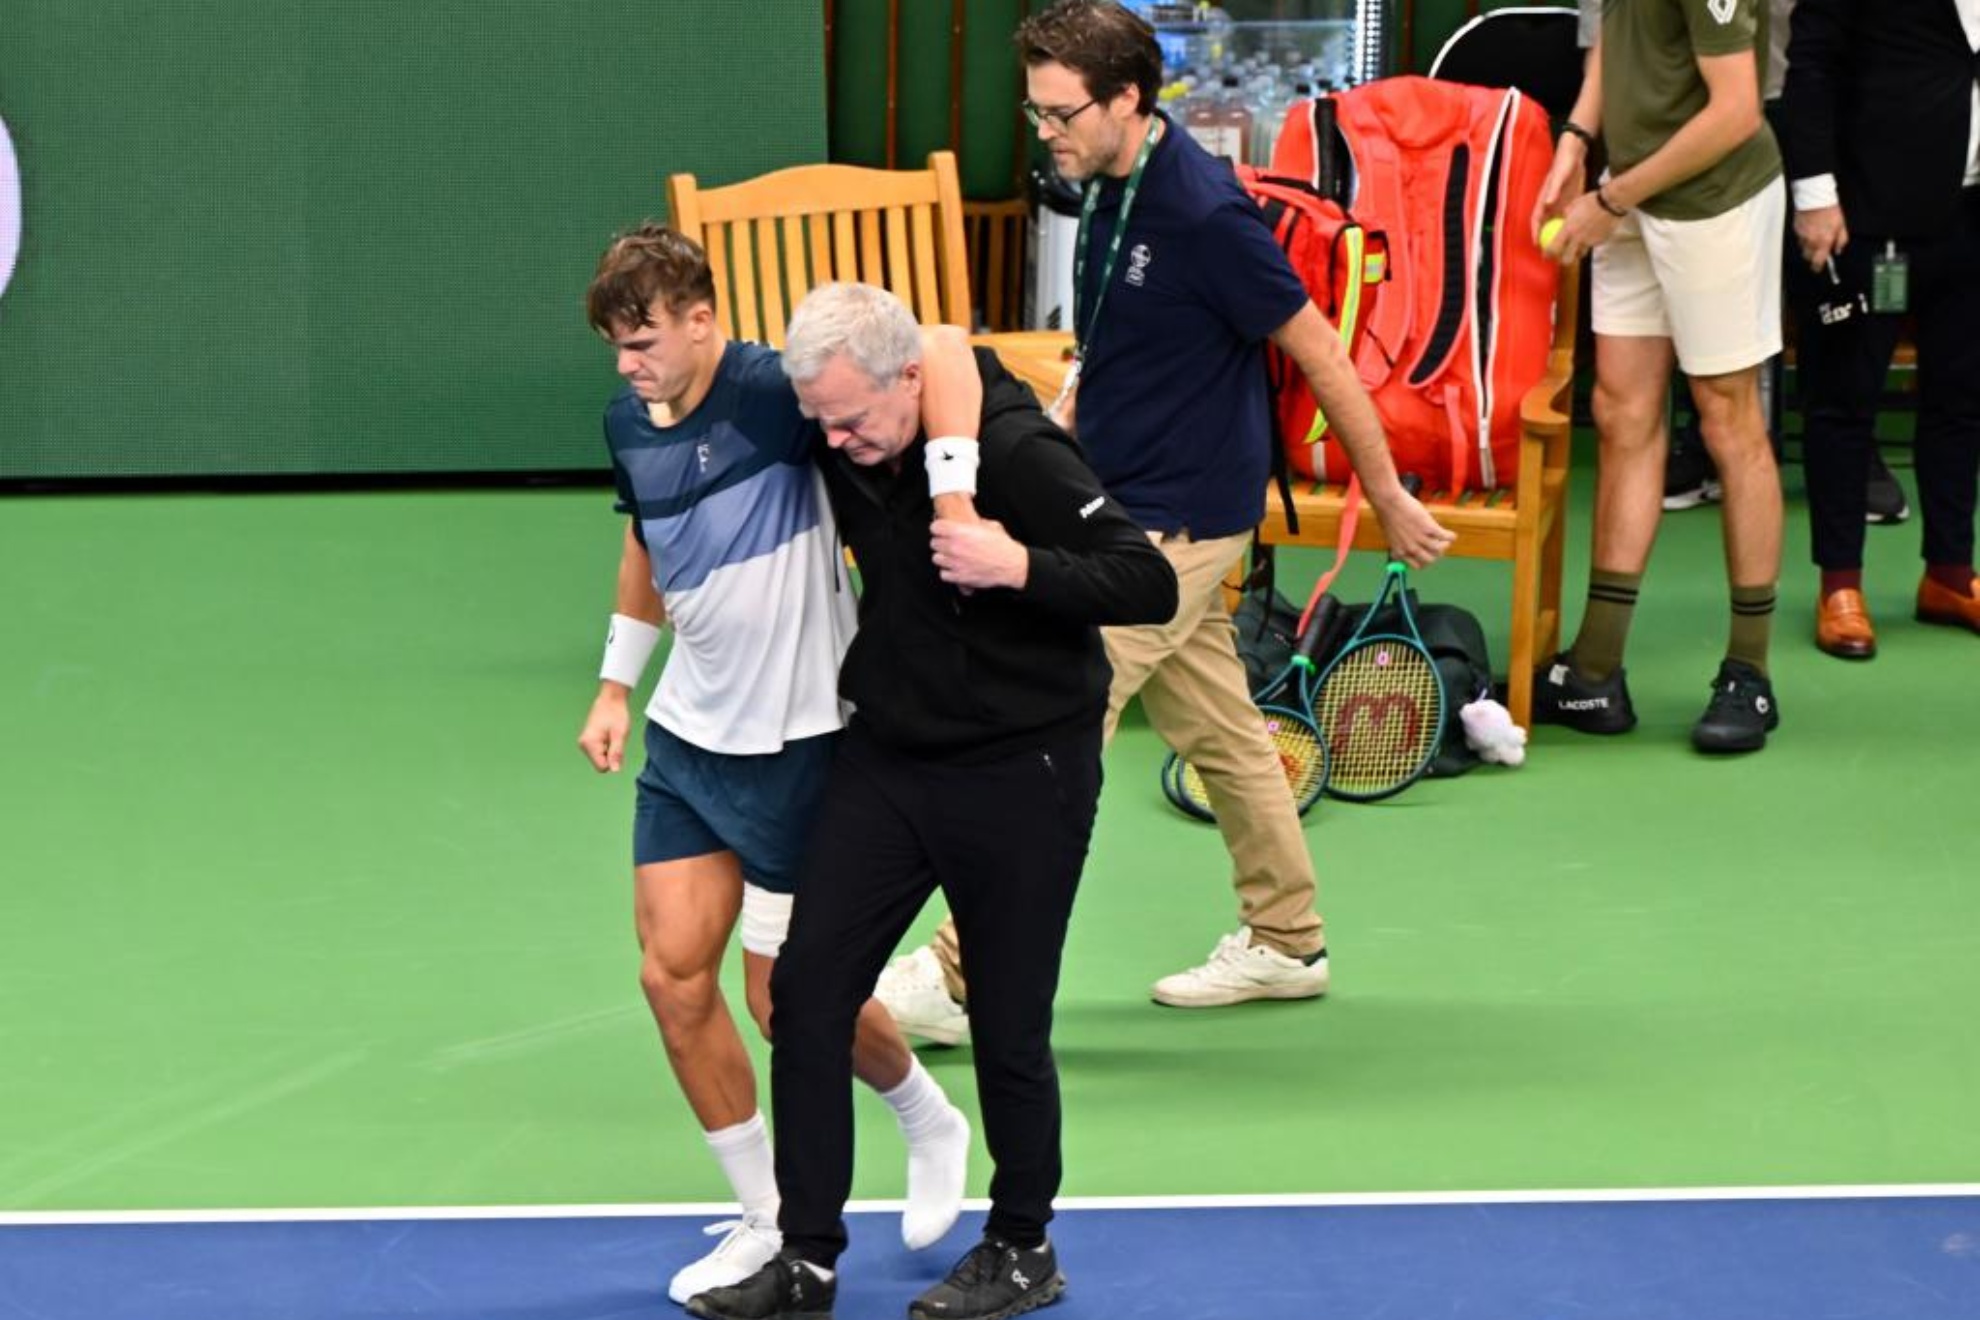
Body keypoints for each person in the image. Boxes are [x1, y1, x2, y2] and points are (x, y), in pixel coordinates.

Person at [873, 0, 1454, 1046]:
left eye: (1061, 112)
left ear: (1129, 98)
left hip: (1178, 522)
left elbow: (1321, 354)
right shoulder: (1105, 185)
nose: (1044, 131)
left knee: (1052, 719)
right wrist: (1060, 427)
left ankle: (961, 977)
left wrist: (1391, 494)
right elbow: (1111, 336)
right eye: (1035, 109)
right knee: (1223, 732)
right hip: (1119, 497)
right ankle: (1288, 940)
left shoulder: (1203, 214)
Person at [684, 282, 1177, 1320]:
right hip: (891, 756)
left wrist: (1016, 564)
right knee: (807, 997)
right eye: (821, 420)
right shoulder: (846, 416)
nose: (836, 439)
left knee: (1006, 1020)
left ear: (908, 380)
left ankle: (1022, 1246)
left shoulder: (1015, 454)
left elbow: (1146, 582)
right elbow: (934, 343)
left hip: (1023, 769)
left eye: (854, 417)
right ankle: (806, 1258)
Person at [574, 226, 982, 1304]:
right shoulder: (627, 419)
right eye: (617, 344)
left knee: (784, 1003)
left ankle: (927, 1120)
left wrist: (953, 494)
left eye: (645, 338)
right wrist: (618, 683)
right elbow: (646, 544)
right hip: (689, 745)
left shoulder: (772, 389)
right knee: (670, 979)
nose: (629, 363)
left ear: (704, 319)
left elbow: (938, 348)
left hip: (802, 747)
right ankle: (765, 1217)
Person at [1535, 0, 1788, 753]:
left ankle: (1749, 673)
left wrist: (1610, 198)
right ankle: (1596, 670)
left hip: (1715, 204)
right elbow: (1616, 43)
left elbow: (1737, 110)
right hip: (1634, 194)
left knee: (1726, 419)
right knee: (1621, 412)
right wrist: (1576, 142)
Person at [1780, 0, 1980, 655]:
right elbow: (1808, 66)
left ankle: (1950, 573)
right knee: (1843, 403)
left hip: (1972, 214)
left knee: (1963, 397)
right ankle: (1841, 585)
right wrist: (1814, 196)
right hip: (1864, 215)